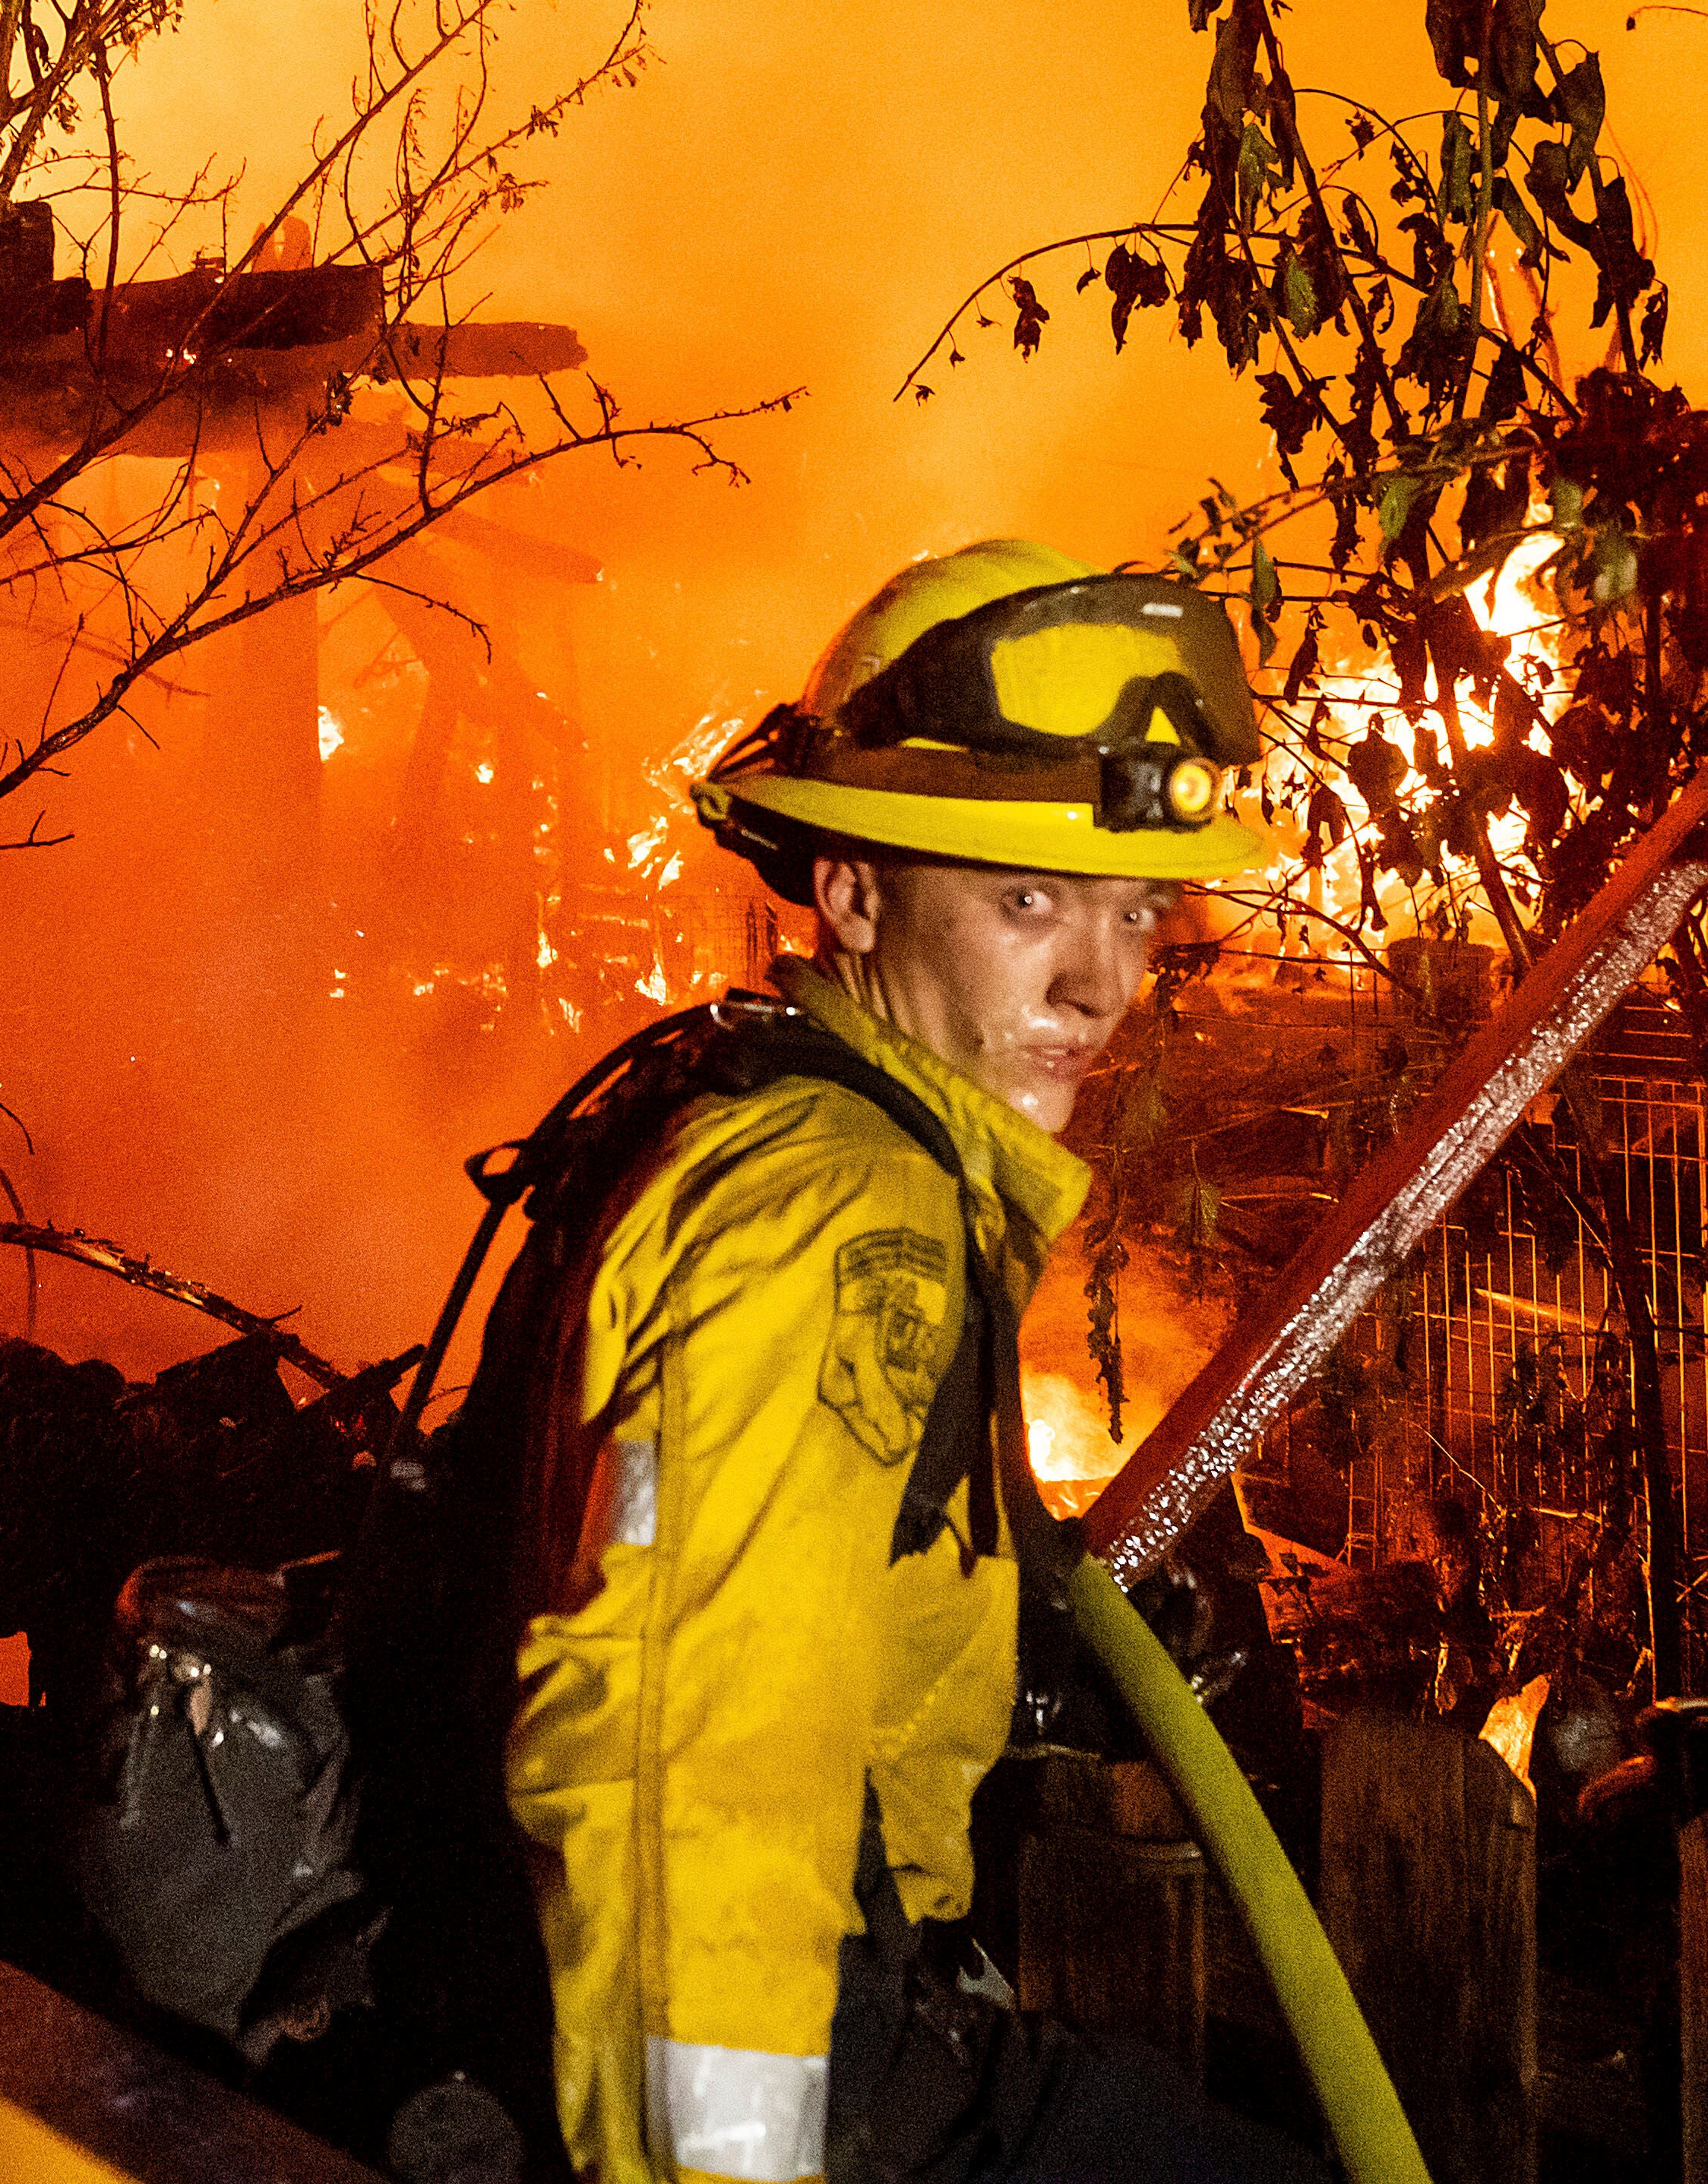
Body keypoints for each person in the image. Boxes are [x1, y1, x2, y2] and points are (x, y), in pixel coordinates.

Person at [501, 542, 1327, 2184]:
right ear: (854, 892)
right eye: (1029, 901)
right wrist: (729, 2165)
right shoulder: (843, 1214)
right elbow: (694, 1760)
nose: (1104, 981)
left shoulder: (778, 1126)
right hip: (795, 2070)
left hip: (860, 2021)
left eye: (1138, 907)